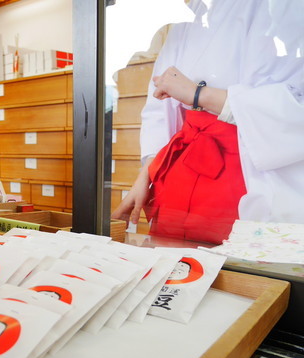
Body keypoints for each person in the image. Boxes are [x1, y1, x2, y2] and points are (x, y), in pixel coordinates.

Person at [112, 0, 304, 244]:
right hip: (181, 166)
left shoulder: (286, 6)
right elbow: (159, 105)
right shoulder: (192, 16)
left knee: (233, 271)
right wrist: (148, 171)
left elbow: (296, 107)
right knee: (175, 268)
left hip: (246, 168)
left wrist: (199, 95)